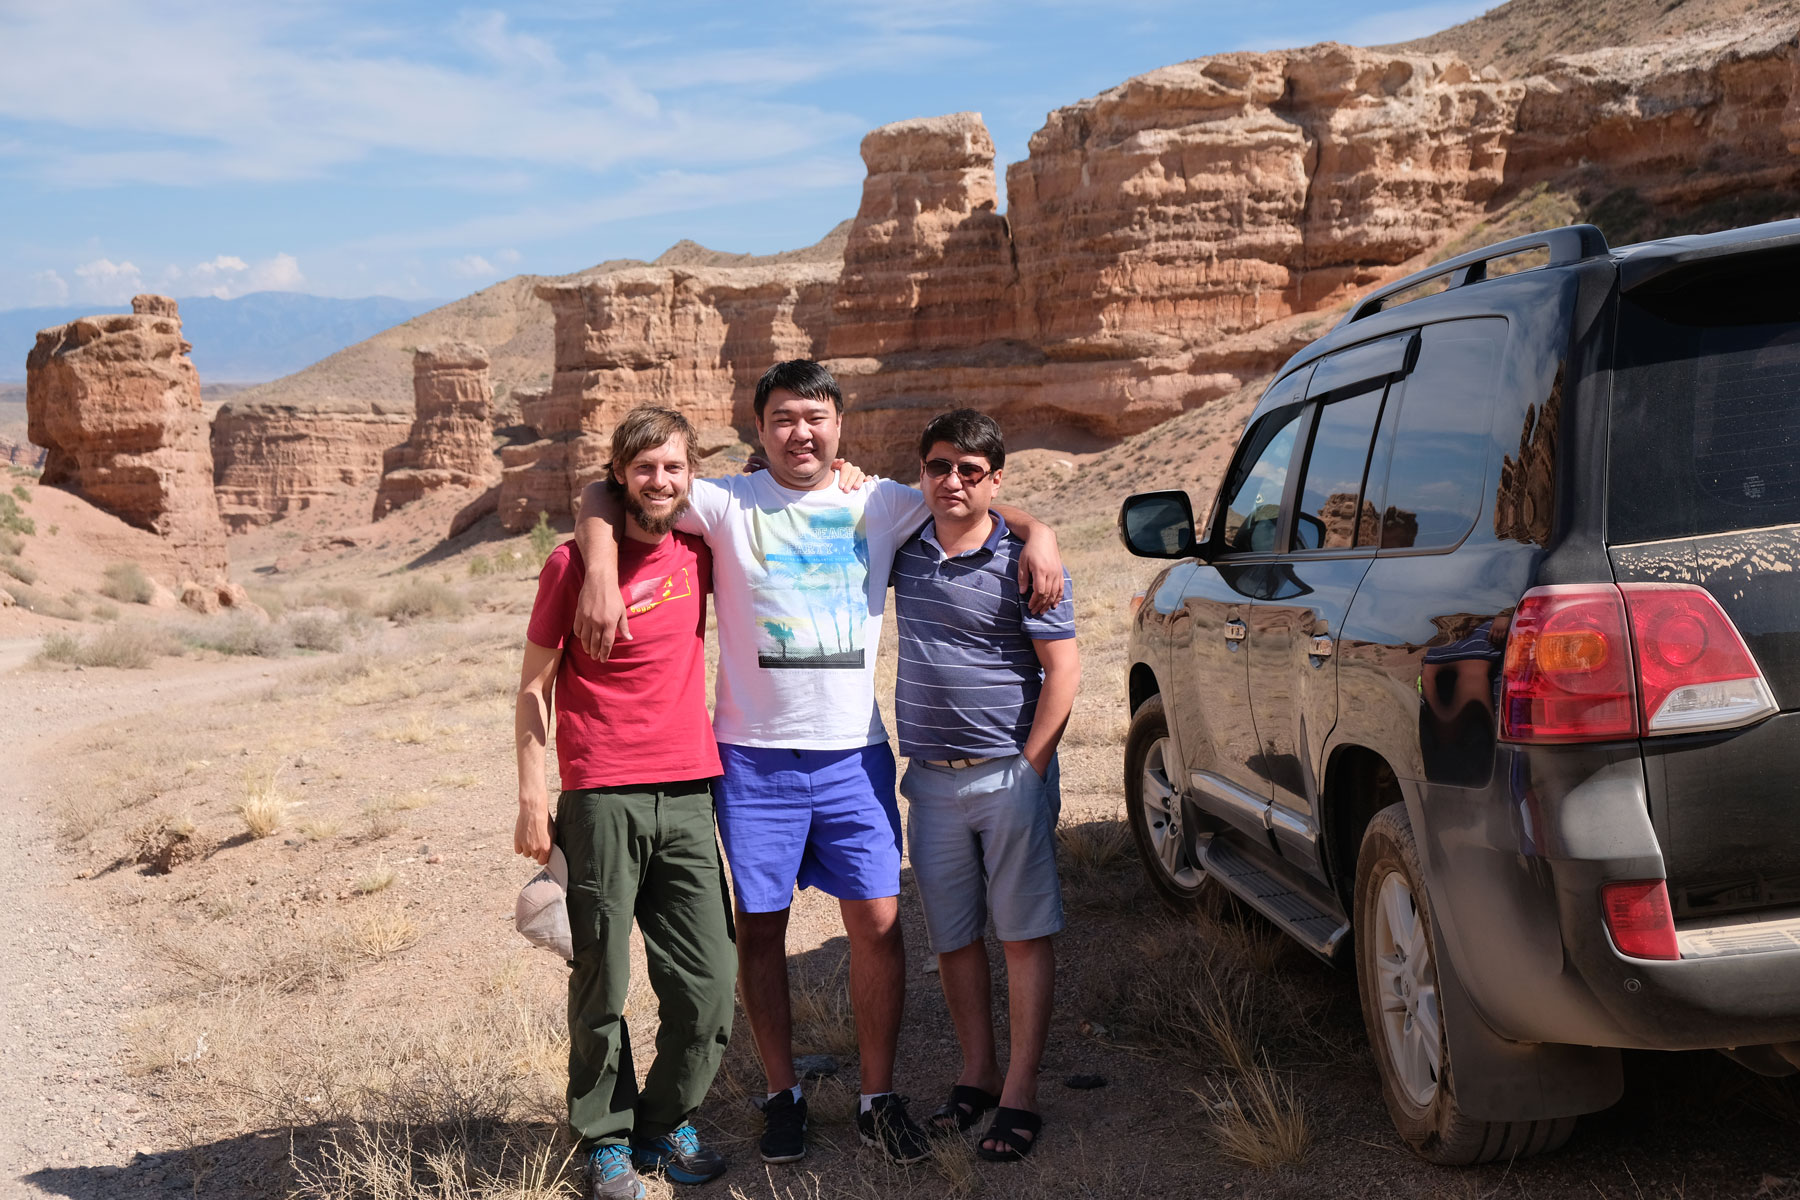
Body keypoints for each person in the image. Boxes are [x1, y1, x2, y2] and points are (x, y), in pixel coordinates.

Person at [569, 360, 1065, 1166]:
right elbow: (606, 492)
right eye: (784, 419)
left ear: (841, 425)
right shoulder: (726, 500)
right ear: (759, 430)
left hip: (853, 756)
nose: (802, 432)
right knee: (758, 930)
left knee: (877, 923)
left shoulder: (882, 500)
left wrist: (1038, 532)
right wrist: (596, 570)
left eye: (816, 417)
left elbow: (975, 497)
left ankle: (876, 1096)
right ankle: (780, 1093)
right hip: (752, 761)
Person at [513, 406, 736, 1200]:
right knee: (600, 983)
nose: (660, 481)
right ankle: (605, 1138)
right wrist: (534, 793)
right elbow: (535, 686)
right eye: (644, 468)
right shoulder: (571, 566)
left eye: (673, 467)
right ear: (620, 476)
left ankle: (662, 1120)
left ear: (690, 473)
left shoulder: (699, 551)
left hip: (687, 792)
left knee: (709, 987)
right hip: (600, 793)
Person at [892, 408, 1078, 1163]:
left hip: (1008, 771)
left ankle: (1020, 1093)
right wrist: (1043, 523)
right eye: (940, 466)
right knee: (956, 937)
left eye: (971, 470)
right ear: (925, 472)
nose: (953, 481)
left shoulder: (1026, 563)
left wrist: (1031, 768)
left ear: (995, 480)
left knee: (1023, 935)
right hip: (931, 781)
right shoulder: (904, 546)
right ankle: (977, 1073)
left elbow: (1062, 672)